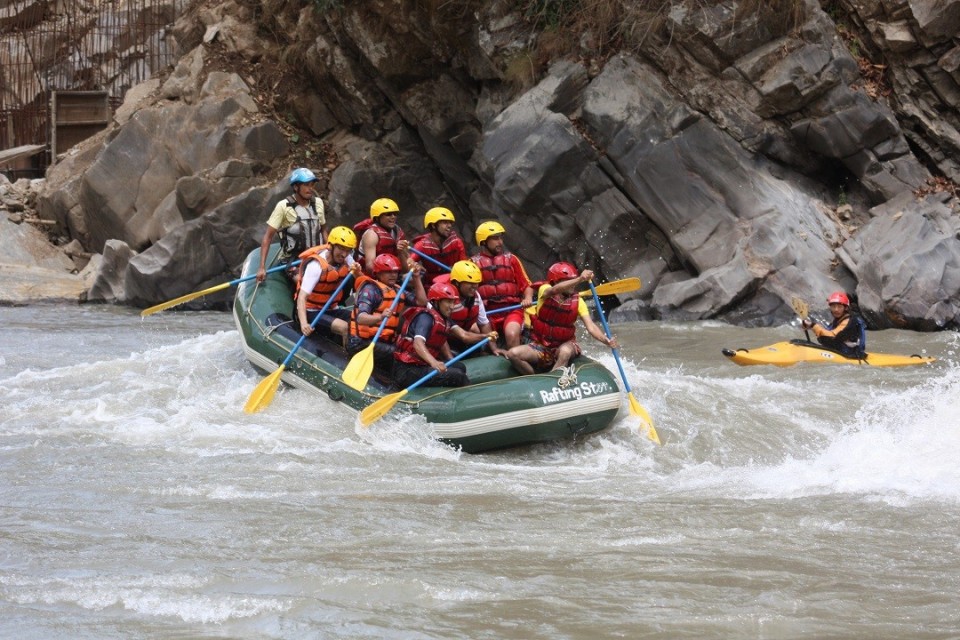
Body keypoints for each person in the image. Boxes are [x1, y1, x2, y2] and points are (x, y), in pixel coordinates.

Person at [505, 262, 618, 375]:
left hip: (565, 345)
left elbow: (591, 327)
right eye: (567, 280)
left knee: (564, 352)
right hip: (541, 346)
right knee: (512, 354)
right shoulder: (545, 289)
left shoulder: (579, 302)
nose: (572, 285)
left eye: (572, 280)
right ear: (555, 281)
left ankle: (552, 379)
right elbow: (554, 291)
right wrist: (580, 279)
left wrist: (606, 340)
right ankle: (535, 378)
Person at [347, 253, 426, 374]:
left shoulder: (397, 289)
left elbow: (421, 302)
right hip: (361, 342)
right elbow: (361, 318)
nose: (393, 275)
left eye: (395, 272)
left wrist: (416, 278)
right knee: (398, 354)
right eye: (388, 272)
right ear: (378, 273)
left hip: (383, 340)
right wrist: (381, 316)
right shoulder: (370, 290)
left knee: (408, 349)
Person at [392, 282, 474, 389]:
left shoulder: (442, 320)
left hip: (421, 365)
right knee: (458, 376)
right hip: (407, 370)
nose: (452, 306)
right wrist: (434, 362)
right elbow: (418, 344)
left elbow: (447, 339)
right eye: (448, 302)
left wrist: (486, 336)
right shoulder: (426, 317)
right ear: (436, 302)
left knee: (459, 366)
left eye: (453, 302)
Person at [257, 168, 328, 282]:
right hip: (293, 259)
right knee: (304, 281)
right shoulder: (283, 206)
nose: (310, 188)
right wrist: (261, 267)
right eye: (306, 185)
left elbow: (323, 229)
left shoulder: (318, 203)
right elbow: (268, 237)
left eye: (312, 185)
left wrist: (328, 250)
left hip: (316, 256)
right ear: (296, 187)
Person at [471, 221, 533, 349]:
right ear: (483, 241)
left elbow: (527, 286)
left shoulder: (512, 259)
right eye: (495, 238)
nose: (500, 242)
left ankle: (516, 358)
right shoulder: (472, 264)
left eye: (500, 238)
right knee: (473, 330)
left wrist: (528, 298)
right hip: (487, 314)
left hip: (511, 310)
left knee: (511, 334)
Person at [294, 226, 361, 342]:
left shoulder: (348, 259)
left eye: (348, 250)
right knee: (344, 327)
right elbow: (302, 297)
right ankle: (345, 357)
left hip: (331, 308)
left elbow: (361, 280)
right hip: (311, 311)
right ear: (331, 246)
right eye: (341, 249)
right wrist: (304, 323)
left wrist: (358, 272)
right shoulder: (315, 266)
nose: (344, 254)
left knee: (359, 321)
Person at [433, 260, 502, 357]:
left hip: (461, 336)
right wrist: (486, 337)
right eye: (470, 283)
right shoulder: (442, 300)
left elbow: (484, 323)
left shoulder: (475, 296)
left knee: (480, 346)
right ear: (456, 283)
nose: (474, 287)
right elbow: (462, 336)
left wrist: (494, 348)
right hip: (443, 340)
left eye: (476, 283)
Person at [411, 207, 467, 288]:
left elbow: (464, 265)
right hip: (431, 284)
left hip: (452, 282)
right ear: (433, 225)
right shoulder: (422, 244)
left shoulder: (457, 242)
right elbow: (410, 261)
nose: (449, 226)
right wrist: (414, 264)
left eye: (450, 223)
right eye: (445, 223)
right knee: (407, 278)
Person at [355, 197, 409, 275]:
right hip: (370, 276)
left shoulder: (397, 231)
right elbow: (370, 267)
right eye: (388, 214)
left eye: (395, 214)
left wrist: (400, 252)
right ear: (377, 217)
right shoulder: (371, 234)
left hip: (391, 274)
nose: (393, 217)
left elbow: (405, 269)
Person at [802, 291, 867, 357]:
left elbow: (831, 338)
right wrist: (810, 326)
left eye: (839, 307)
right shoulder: (838, 320)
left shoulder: (850, 321)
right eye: (833, 306)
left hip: (849, 354)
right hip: (841, 351)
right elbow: (825, 333)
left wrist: (813, 325)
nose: (836, 309)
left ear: (846, 308)